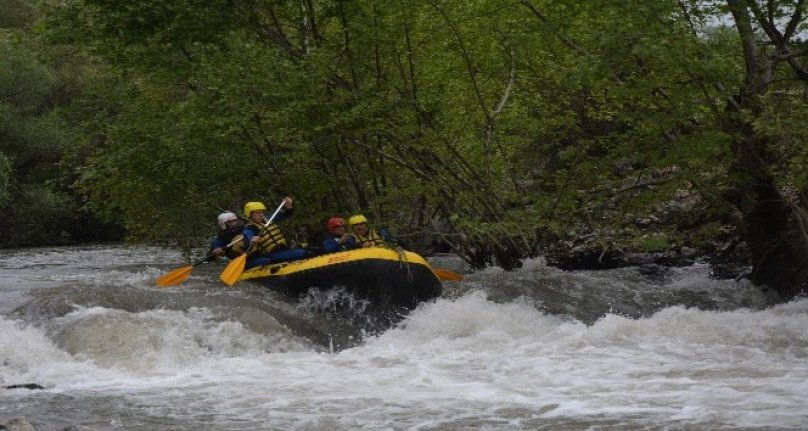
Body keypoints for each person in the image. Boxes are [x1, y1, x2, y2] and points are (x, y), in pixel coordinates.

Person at [237, 197, 310, 269]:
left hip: (285, 249)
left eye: (262, 212)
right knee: (303, 253)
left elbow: (287, 214)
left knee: (311, 249)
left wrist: (288, 206)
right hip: (272, 254)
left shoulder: (269, 219)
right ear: (250, 215)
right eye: (257, 213)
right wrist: (252, 241)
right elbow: (246, 247)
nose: (261, 215)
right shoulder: (250, 229)